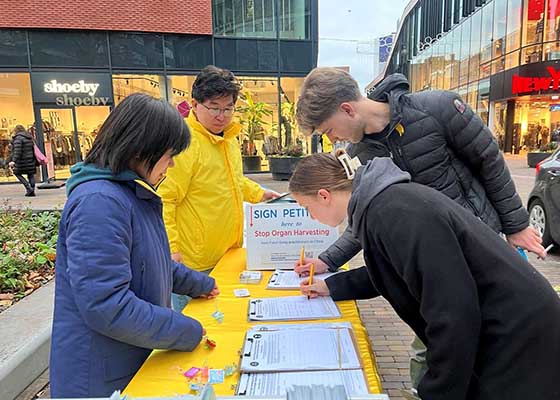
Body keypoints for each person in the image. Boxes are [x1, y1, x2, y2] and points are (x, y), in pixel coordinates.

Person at [293, 67, 546, 391]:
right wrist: (329, 263)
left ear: (347, 109)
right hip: (433, 256)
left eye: (329, 130)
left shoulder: (436, 108)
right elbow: (378, 240)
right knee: (443, 340)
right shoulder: (362, 162)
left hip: (474, 245)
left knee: (461, 337)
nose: (332, 140)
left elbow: (489, 161)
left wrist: (516, 224)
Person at [291, 151, 560, 400]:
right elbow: (394, 268)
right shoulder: (381, 204)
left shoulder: (391, 212)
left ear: (324, 195)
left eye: (306, 207)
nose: (311, 217)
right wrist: (332, 286)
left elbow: (452, 312)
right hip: (504, 321)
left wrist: (437, 390)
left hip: (518, 332)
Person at [49, 93, 219, 398]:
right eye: (169, 154)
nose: (171, 164)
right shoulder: (99, 203)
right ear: (141, 150)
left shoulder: (131, 193)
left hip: (126, 359)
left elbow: (150, 261)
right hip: (98, 377)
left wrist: (200, 284)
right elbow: (107, 305)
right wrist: (184, 329)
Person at [158, 65, 279, 312]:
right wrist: (171, 250)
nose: (221, 116)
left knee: (225, 319)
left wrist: (258, 193)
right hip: (195, 262)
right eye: (214, 107)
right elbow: (165, 199)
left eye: (228, 108)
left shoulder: (229, 139)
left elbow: (232, 180)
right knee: (196, 323)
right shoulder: (184, 144)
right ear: (195, 104)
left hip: (228, 254)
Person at [9, 124, 37, 196]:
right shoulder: (29, 137)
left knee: (16, 173)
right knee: (30, 174)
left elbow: (17, 151)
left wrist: (13, 161)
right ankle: (32, 190)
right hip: (31, 160)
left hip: (22, 161)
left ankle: (28, 188)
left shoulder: (18, 138)